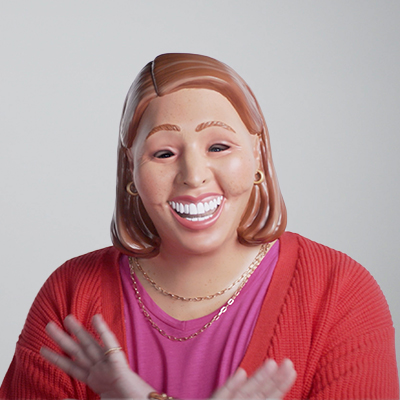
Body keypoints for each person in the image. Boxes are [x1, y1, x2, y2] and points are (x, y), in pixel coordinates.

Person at [0, 53, 398, 400]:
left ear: (258, 154)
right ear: (131, 171)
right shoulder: (71, 294)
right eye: (164, 152)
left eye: (218, 147)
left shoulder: (340, 293)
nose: (193, 176)